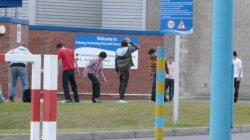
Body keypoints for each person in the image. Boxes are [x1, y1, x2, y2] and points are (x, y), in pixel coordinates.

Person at [115, 37, 140, 103]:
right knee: (124, 83)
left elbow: (116, 60)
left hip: (120, 68)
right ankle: (121, 98)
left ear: (121, 45)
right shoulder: (128, 49)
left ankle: (120, 98)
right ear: (127, 44)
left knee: (121, 83)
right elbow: (137, 47)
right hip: (125, 68)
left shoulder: (117, 50)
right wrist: (130, 42)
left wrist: (116, 69)